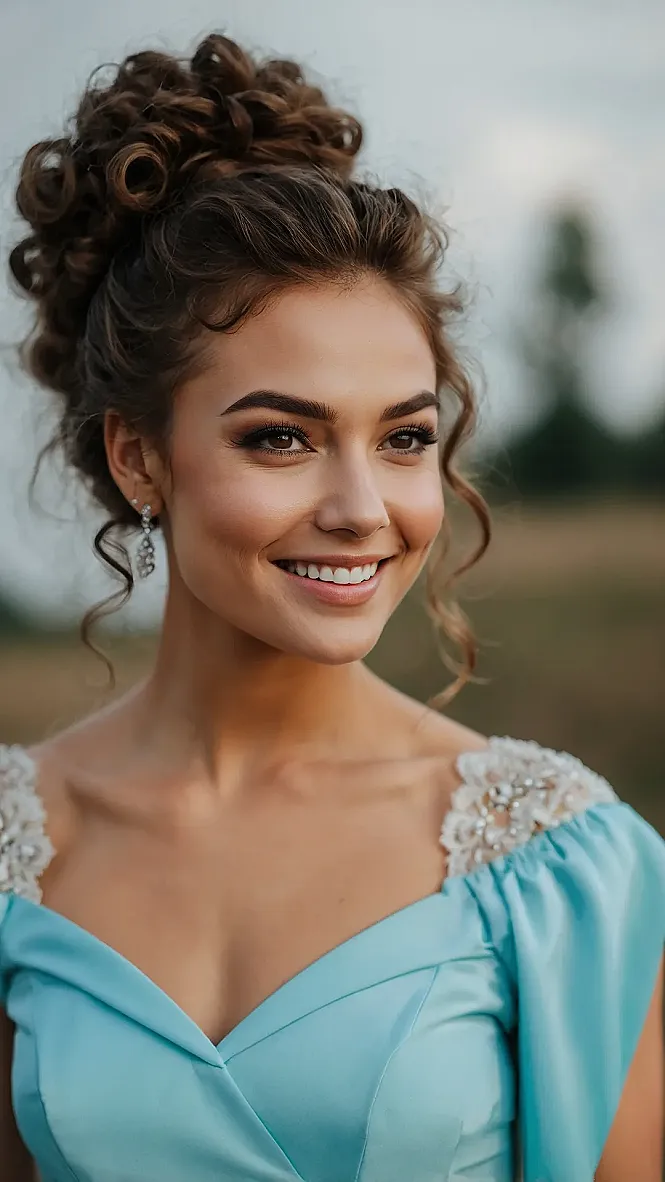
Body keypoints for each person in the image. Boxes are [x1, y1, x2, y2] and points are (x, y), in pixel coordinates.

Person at [0, 30, 663, 1182]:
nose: (362, 506)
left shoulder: (564, 868)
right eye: (280, 438)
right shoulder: (15, 859)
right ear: (139, 458)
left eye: (403, 438)